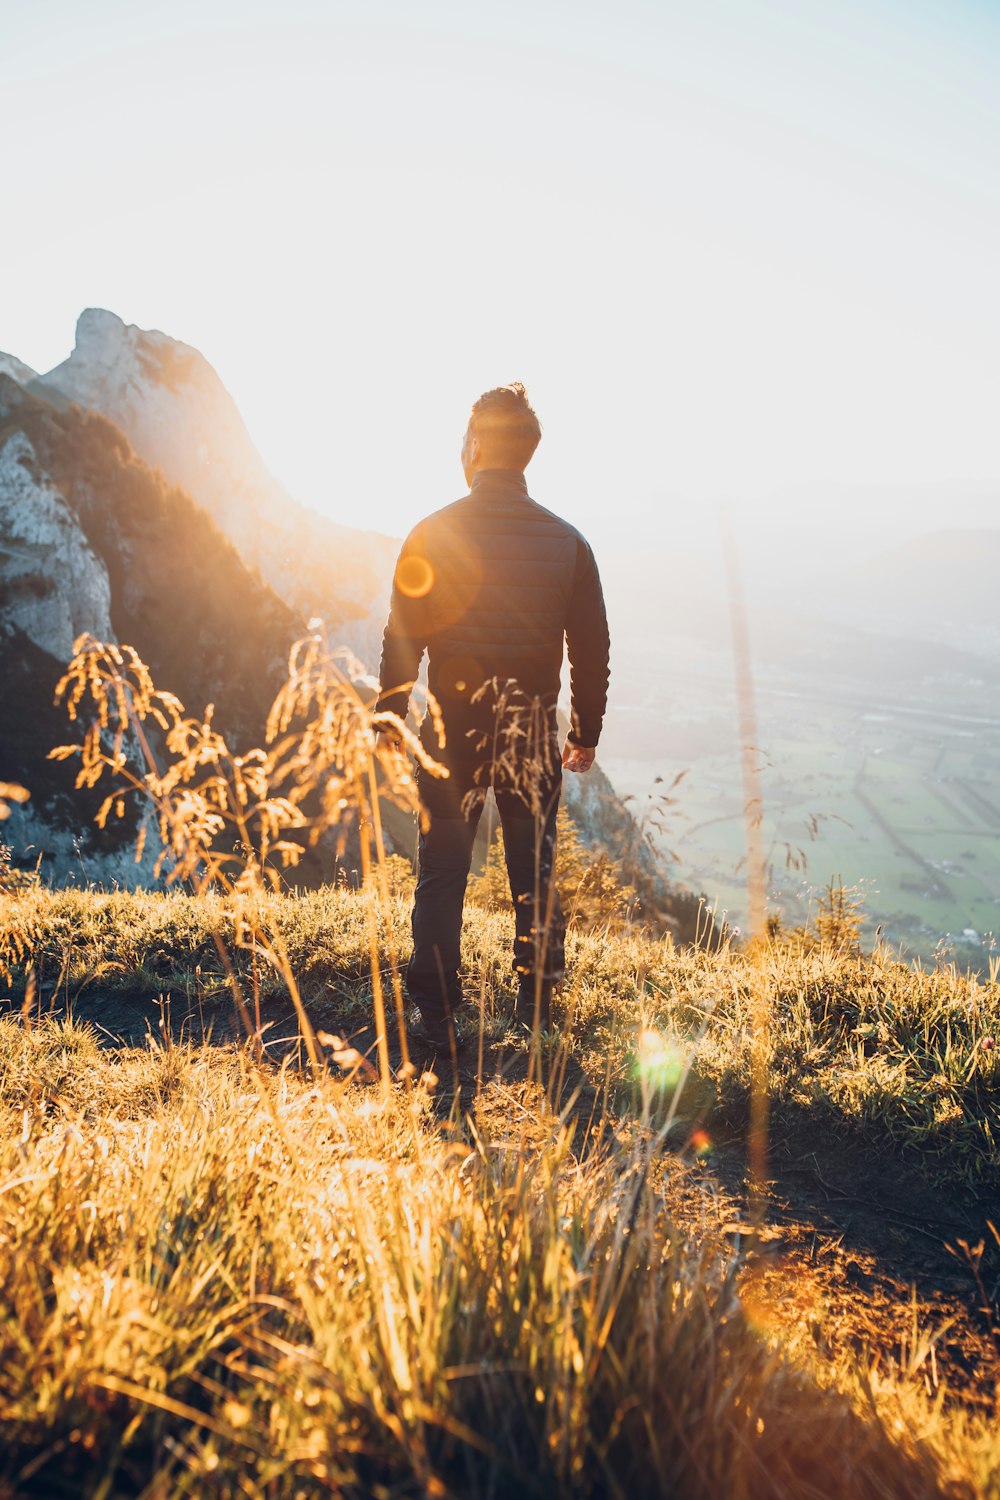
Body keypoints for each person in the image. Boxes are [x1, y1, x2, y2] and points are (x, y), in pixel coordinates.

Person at [374, 383, 610, 1048]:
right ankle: (536, 1004)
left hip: (452, 730)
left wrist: (390, 720)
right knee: (533, 865)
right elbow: (590, 650)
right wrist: (584, 732)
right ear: (527, 453)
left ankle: (438, 1010)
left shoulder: (432, 532)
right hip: (530, 727)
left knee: (443, 865)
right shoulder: (569, 544)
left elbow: (401, 638)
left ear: (476, 445)